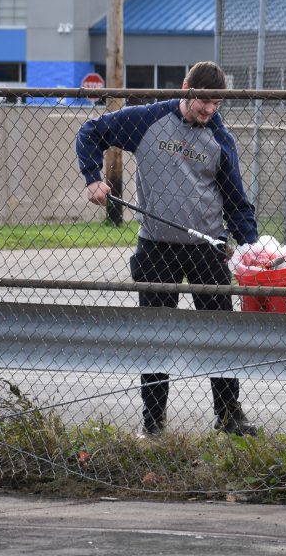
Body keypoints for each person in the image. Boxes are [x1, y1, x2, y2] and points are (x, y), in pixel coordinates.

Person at [75, 61, 259, 437]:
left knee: (220, 333)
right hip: (156, 248)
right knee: (157, 336)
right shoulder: (149, 119)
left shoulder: (221, 139)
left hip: (207, 251)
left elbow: (236, 201)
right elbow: (91, 131)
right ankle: (153, 422)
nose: (208, 110)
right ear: (184, 88)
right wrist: (94, 179)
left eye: (215, 104)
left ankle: (228, 415)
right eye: (202, 101)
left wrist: (252, 248)